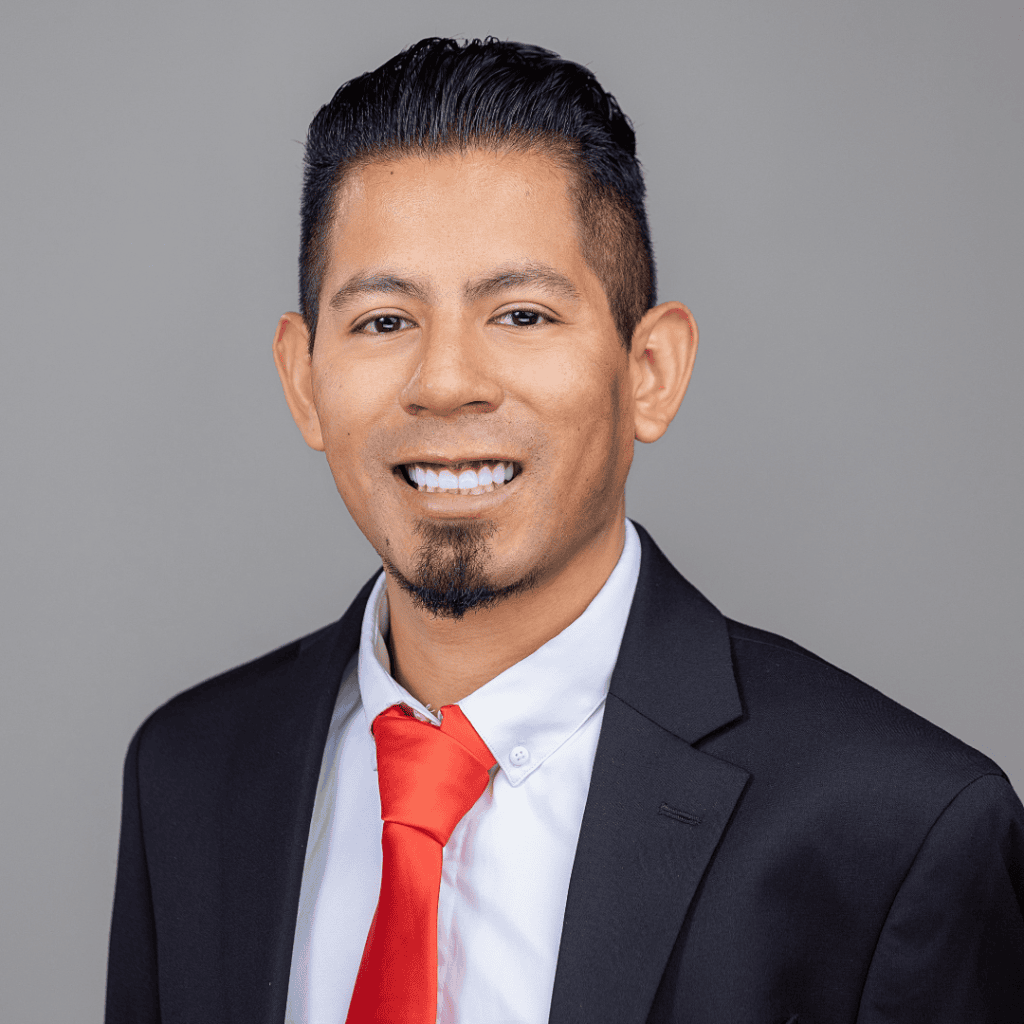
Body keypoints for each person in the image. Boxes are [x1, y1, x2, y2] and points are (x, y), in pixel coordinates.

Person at [104, 37, 1024, 1024]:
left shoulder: (898, 831)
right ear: (303, 379)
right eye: (383, 321)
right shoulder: (188, 774)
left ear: (650, 372)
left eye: (523, 314)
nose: (446, 380)